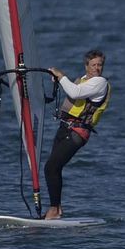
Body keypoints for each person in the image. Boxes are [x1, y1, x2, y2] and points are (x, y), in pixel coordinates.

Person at [43, 49, 111, 220]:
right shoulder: (82, 81)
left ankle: (53, 209)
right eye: (93, 65)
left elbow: (74, 92)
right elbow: (74, 89)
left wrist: (60, 75)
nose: (97, 68)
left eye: (100, 65)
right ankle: (57, 209)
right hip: (64, 129)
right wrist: (59, 80)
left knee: (50, 167)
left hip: (76, 132)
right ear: (86, 66)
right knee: (54, 168)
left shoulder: (100, 83)